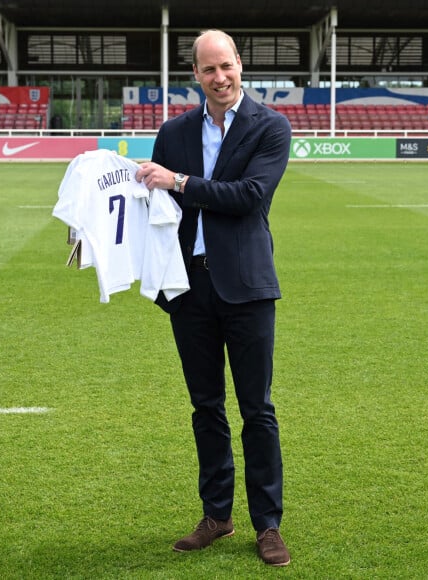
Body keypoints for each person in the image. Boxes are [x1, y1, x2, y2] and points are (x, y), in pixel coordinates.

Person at [136, 29, 292, 566]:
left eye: (225, 66)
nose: (219, 78)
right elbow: (151, 209)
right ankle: (217, 516)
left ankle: (267, 525)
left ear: (240, 66)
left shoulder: (270, 126)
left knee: (257, 410)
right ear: (195, 75)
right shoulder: (172, 131)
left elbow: (249, 197)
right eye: (208, 70)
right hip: (189, 287)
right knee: (206, 407)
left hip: (247, 287)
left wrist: (177, 180)